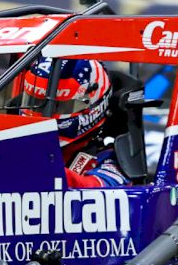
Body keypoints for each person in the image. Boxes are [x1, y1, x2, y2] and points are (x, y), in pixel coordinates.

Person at [18, 57, 128, 188]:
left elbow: (106, 188)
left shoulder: (109, 154)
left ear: (93, 107)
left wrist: (47, 173)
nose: (41, 114)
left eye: (60, 106)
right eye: (34, 103)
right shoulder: (16, 145)